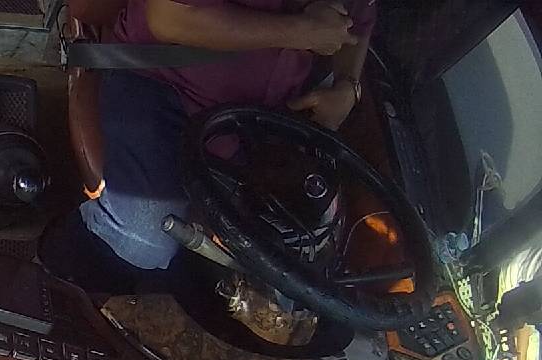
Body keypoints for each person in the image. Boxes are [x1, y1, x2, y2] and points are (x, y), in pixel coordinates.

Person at [43, 0, 378, 293]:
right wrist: (301, 31)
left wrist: (347, 87)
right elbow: (169, 17)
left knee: (298, 257)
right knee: (142, 241)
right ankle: (53, 275)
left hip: (265, 115)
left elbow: (357, 21)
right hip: (162, 82)